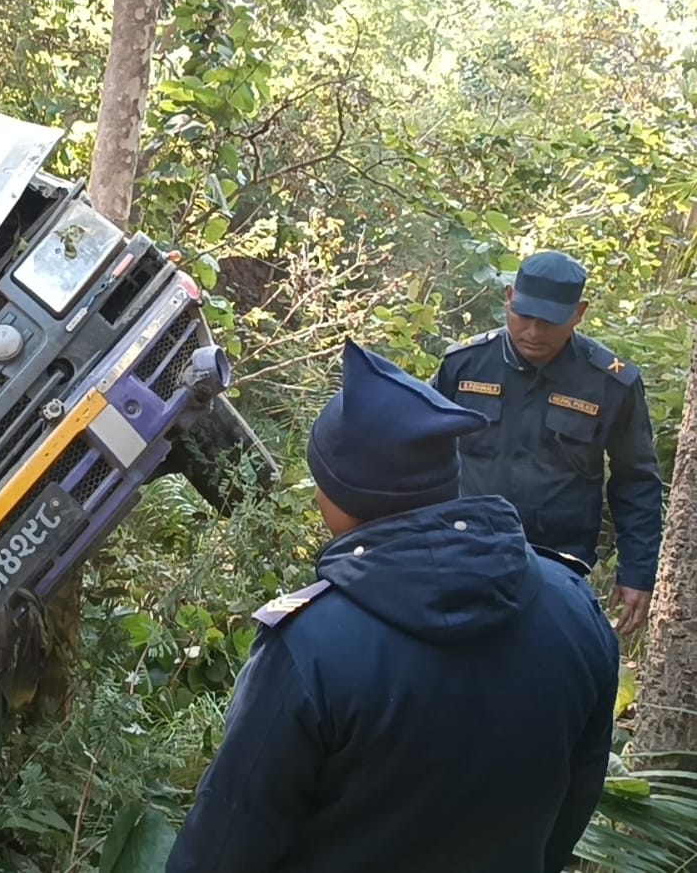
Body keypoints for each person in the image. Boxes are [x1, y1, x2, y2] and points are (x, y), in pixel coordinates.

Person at [166, 340, 619, 873]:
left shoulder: (309, 648)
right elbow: (574, 802)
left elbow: (225, 847)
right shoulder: (574, 607)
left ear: (335, 497)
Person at [433, 250, 664, 635]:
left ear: (579, 312)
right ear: (508, 299)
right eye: (523, 316)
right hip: (462, 552)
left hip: (558, 564)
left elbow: (635, 480)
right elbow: (424, 451)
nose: (533, 332)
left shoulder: (610, 382)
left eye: (549, 321)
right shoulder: (465, 365)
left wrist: (638, 571)